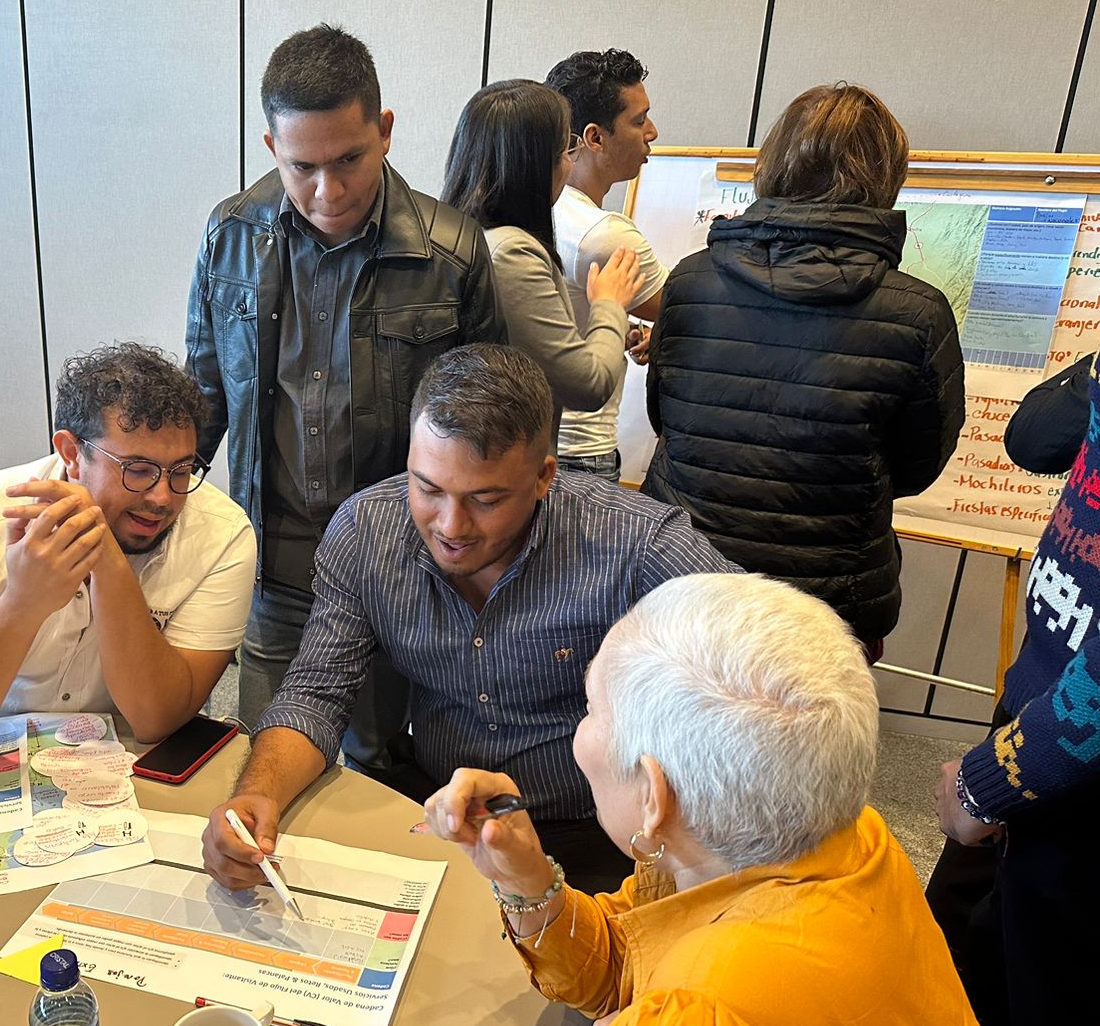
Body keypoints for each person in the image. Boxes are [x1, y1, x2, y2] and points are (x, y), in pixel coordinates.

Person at [423, 572, 1001, 1026]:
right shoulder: (846, 837)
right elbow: (626, 967)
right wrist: (526, 878)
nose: (580, 732)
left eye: (593, 709)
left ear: (653, 797)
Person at [200, 343, 733, 894]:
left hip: (595, 832)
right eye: (428, 488)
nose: (451, 526)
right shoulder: (367, 531)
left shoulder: (635, 543)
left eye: (486, 499)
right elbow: (317, 692)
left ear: (544, 477)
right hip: (442, 811)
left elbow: (773, 663)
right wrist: (256, 795)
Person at [185, 24, 505, 769]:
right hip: (272, 564)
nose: (327, 191)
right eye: (302, 167)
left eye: (349, 160)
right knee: (266, 762)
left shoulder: (451, 250)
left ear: (384, 131)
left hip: (399, 567)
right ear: (272, 147)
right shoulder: (231, 236)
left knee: (373, 770)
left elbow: (490, 431)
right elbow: (203, 398)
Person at [641, 83, 964, 652]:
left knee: (667, 708)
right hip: (825, 601)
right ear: (886, 176)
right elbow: (917, 466)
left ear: (774, 162)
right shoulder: (919, 313)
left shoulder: (690, 280)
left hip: (681, 576)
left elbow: (663, 417)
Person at [0, 344, 255, 760]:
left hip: (138, 759)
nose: (162, 498)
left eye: (181, 471)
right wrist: (22, 603)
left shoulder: (221, 536)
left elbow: (156, 720)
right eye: (138, 470)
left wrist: (109, 565)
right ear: (71, 453)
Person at [928, 319, 1100, 1026]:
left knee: (1040, 1025)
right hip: (1040, 705)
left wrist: (992, 781)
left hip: (1081, 758)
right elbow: (1036, 436)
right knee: (953, 949)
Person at [440, 79, 642, 444]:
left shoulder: (458, 236)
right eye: (565, 150)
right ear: (533, 167)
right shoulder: (511, 254)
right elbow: (588, 386)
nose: (569, 162)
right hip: (502, 462)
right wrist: (610, 304)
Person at [545, 49, 666, 481]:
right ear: (594, 138)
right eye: (639, 120)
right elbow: (688, 311)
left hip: (535, 443)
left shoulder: (540, 208)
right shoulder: (604, 234)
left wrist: (619, 327)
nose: (652, 132)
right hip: (582, 454)